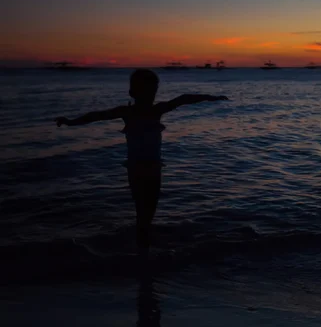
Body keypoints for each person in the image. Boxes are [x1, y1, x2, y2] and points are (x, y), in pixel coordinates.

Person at [55, 69, 228, 246]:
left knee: (149, 210)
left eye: (153, 91)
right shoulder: (127, 112)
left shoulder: (157, 110)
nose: (150, 95)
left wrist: (211, 97)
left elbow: (184, 99)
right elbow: (95, 116)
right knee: (142, 210)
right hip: (136, 169)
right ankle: (142, 246)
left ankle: (143, 246)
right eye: (146, 91)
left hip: (153, 168)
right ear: (133, 93)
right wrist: (70, 121)